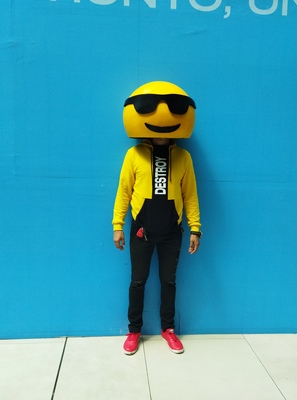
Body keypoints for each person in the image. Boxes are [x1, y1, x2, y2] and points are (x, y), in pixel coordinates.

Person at [112, 81, 201, 355]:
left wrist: (195, 228)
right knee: (138, 281)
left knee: (168, 282)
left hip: (172, 232)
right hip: (141, 231)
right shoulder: (134, 154)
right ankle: (134, 330)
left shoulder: (184, 157)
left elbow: (190, 195)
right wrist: (117, 225)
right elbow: (124, 191)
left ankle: (168, 329)